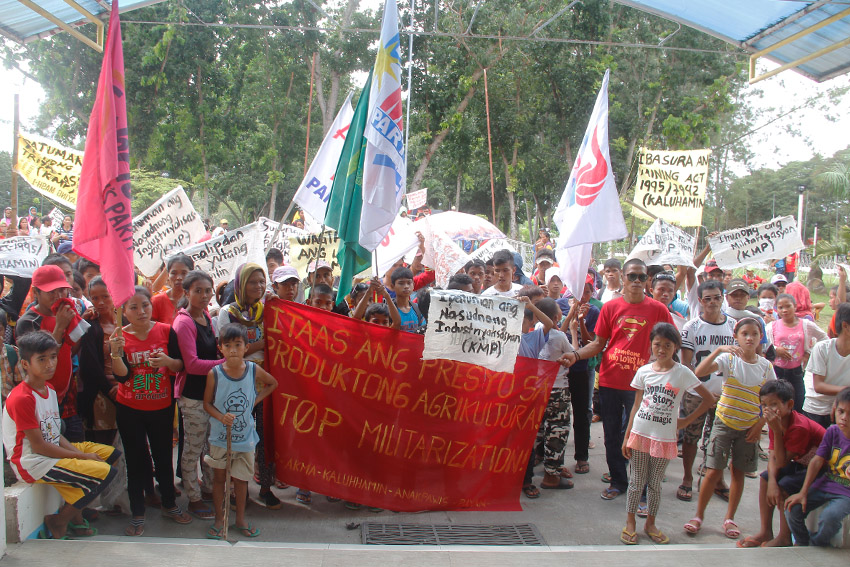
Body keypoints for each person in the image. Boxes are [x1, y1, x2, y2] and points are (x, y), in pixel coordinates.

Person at [560, 258, 673, 500]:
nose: (637, 281)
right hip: (610, 381)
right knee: (611, 435)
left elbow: (670, 344)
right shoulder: (611, 308)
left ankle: (641, 489)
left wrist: (666, 373)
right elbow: (598, 344)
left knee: (639, 437)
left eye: (642, 277)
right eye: (632, 276)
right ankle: (619, 482)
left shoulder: (658, 310)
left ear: (647, 280)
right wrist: (576, 355)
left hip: (641, 387)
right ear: (623, 277)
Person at [2, 331, 119, 539]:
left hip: (50, 450)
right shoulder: (22, 398)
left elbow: (54, 433)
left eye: (53, 357)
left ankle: (74, 513)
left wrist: (76, 453)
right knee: (103, 472)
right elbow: (39, 447)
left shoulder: (48, 389)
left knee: (112, 456)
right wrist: (81, 456)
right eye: (42, 359)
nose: (49, 364)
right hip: (33, 462)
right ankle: (59, 521)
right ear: (26, 364)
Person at [620, 323, 713, 545]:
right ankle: (630, 522)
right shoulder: (643, 371)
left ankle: (650, 523)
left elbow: (708, 399)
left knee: (654, 484)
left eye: (667, 345)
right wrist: (627, 436)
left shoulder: (682, 373)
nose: (661, 349)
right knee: (636, 481)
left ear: (676, 347)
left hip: (664, 438)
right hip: (641, 434)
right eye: (657, 344)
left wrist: (686, 421)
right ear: (651, 345)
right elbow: (636, 406)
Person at [109, 286, 192, 535]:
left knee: (163, 456)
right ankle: (137, 511)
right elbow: (121, 377)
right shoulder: (119, 336)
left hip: (161, 407)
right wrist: (115, 352)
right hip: (130, 409)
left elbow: (180, 366)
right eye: (133, 307)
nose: (141, 311)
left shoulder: (166, 331)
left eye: (144, 305)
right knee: (135, 461)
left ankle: (169, 503)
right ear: (124, 311)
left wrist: (168, 362)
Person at [685, 317, 776, 539]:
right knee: (713, 470)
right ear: (735, 336)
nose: (749, 338)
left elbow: (771, 400)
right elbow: (698, 372)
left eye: (754, 334)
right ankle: (698, 516)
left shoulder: (766, 367)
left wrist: (760, 423)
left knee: (738, 472)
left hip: (749, 428)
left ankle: (729, 518)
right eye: (744, 333)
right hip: (724, 423)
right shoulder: (729, 359)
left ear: (760, 337)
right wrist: (717, 351)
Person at [203, 323, 278, 540]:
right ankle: (219, 518)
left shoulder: (253, 370)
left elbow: (273, 384)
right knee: (219, 478)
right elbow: (207, 403)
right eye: (228, 345)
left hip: (245, 438)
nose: (233, 350)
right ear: (221, 349)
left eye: (238, 345)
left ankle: (240, 520)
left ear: (246, 347)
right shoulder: (214, 374)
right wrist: (221, 417)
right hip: (219, 437)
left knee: (241, 480)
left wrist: (254, 401)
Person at [216, 263, 281, 509]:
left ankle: (265, 487)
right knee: (238, 435)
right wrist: (262, 343)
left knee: (265, 436)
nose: (259, 286)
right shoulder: (227, 313)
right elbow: (230, 351)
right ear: (241, 284)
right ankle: (235, 491)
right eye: (253, 282)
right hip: (237, 384)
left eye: (262, 282)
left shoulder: (269, 309)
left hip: (264, 384)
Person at [736, 379, 825, 548]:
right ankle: (765, 531)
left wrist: (776, 431)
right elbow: (772, 456)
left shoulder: (799, 427)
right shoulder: (776, 421)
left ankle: (784, 537)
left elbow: (782, 462)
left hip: (820, 468)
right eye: (764, 404)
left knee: (784, 487)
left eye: (774, 404)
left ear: (789, 404)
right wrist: (771, 484)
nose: (768, 409)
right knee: (765, 478)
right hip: (800, 462)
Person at [16, 265, 89, 442]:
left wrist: (78, 324)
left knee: (76, 447)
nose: (58, 297)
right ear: (36, 292)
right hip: (42, 401)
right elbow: (42, 359)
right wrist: (60, 326)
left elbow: (71, 351)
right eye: (51, 292)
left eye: (61, 290)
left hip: (68, 399)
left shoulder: (66, 311)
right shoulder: (28, 322)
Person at [172, 270, 223, 519]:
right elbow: (191, 365)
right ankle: (192, 497)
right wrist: (226, 364)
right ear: (186, 293)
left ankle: (209, 489)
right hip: (192, 396)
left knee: (210, 446)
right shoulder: (183, 322)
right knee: (192, 449)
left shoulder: (205, 316)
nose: (204, 296)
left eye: (207, 291)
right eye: (198, 291)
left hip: (209, 394)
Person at [679, 280, 735, 503]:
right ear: (700, 301)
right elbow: (686, 366)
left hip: (725, 394)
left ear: (723, 298)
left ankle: (717, 479)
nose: (712, 302)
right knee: (692, 437)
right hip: (697, 394)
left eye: (717, 297)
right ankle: (687, 478)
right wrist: (703, 392)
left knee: (719, 440)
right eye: (707, 298)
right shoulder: (691, 327)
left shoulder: (734, 326)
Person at [784, 386, 850, 547]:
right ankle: (802, 542)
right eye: (841, 411)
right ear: (834, 409)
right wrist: (803, 492)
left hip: (846, 493)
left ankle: (816, 543)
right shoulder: (833, 431)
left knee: (830, 517)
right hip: (826, 484)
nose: (844, 418)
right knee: (793, 509)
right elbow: (817, 460)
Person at [556, 272, 599, 475]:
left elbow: (592, 341)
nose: (583, 297)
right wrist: (572, 312)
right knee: (557, 415)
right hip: (559, 370)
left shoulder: (594, 312)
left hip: (581, 369)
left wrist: (581, 321)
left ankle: (581, 457)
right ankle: (551, 457)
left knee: (582, 413)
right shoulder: (560, 305)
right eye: (579, 292)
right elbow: (555, 334)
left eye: (587, 292)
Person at [536, 298, 577, 490]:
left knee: (539, 429)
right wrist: (574, 334)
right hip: (557, 390)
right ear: (554, 317)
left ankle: (537, 463)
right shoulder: (559, 336)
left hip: (537, 389)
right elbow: (573, 356)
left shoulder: (533, 331)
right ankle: (551, 475)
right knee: (557, 430)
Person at [519, 296, 555, 499]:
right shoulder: (503, 337)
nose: (518, 324)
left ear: (530, 322)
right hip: (505, 395)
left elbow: (549, 323)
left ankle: (526, 480)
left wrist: (530, 306)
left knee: (526, 439)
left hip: (527, 396)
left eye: (522, 320)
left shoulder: (534, 338)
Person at [766, 293, 827, 411]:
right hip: (777, 372)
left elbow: (824, 338)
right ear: (776, 309)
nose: (784, 310)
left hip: (796, 372)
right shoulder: (771, 326)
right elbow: (763, 345)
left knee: (798, 404)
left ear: (794, 306)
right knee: (776, 405)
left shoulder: (806, 325)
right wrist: (775, 350)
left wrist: (809, 353)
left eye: (788, 306)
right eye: (780, 307)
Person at [77, 278, 119, 446]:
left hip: (127, 389)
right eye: (94, 298)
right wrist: (110, 390)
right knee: (105, 444)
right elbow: (91, 366)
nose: (100, 302)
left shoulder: (126, 321)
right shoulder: (91, 325)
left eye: (105, 296)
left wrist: (123, 386)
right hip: (102, 394)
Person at [804, 303, 850, 428]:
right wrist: (845, 391)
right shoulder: (823, 348)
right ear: (845, 326)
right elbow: (819, 386)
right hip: (817, 407)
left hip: (845, 407)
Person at [151, 255, 194, 325]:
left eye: (184, 273)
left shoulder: (197, 299)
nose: (179, 277)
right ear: (168, 275)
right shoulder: (156, 302)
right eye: (174, 273)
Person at [391, 267, 424, 332]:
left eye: (409, 283)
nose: (406, 286)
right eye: (401, 283)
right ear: (393, 286)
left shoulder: (418, 309)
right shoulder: (388, 310)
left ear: (413, 285)